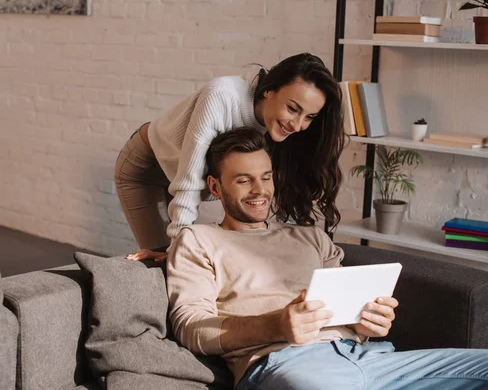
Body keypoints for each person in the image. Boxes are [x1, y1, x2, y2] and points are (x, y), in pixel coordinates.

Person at [166, 127, 488, 390]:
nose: (259, 189)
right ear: (216, 187)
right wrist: (276, 325)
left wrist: (365, 323)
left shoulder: (311, 237)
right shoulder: (198, 240)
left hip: (368, 358)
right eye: (243, 180)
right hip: (289, 367)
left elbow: (347, 313)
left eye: (266, 177)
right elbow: (191, 328)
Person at [115, 53, 344, 262]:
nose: (297, 125)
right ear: (269, 90)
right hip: (147, 167)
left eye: (309, 116)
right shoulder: (221, 96)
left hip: (181, 173)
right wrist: (177, 249)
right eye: (292, 109)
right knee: (168, 259)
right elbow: (189, 183)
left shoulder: (283, 129)